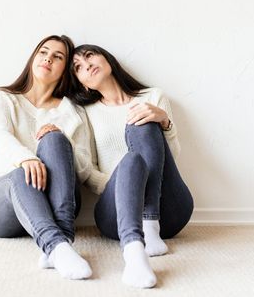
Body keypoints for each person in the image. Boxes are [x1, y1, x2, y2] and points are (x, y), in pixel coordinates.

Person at [0, 35, 104, 280]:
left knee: (54, 139)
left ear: (65, 70)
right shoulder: (3, 98)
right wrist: (28, 159)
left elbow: (85, 167)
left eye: (58, 56)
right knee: (19, 175)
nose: (48, 58)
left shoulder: (72, 111)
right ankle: (57, 245)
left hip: (56, 207)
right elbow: (0, 137)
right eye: (43, 52)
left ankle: (61, 241)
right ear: (33, 58)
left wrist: (61, 139)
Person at [67, 44, 194, 288]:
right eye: (78, 67)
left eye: (90, 56)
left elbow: (172, 156)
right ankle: (137, 247)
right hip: (116, 213)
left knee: (143, 119)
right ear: (82, 83)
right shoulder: (85, 111)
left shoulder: (152, 96)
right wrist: (126, 184)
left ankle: (151, 222)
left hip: (170, 210)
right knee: (132, 160)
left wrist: (164, 121)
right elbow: (85, 169)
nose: (87, 65)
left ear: (107, 59)